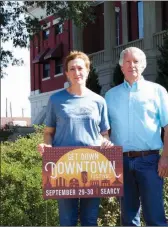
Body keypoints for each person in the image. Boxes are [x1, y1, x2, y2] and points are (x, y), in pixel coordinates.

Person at [37, 51, 113, 226]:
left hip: (93, 165)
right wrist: (46, 146)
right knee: (67, 220)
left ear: (87, 70)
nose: (76, 72)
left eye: (80, 68)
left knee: (90, 219)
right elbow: (48, 132)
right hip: (64, 165)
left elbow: (104, 134)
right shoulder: (56, 100)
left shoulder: (99, 101)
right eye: (72, 69)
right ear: (66, 73)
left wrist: (106, 142)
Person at [105, 47, 168, 226]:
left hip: (150, 161)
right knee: (128, 218)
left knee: (155, 216)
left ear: (143, 65)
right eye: (127, 62)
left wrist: (166, 157)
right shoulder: (110, 96)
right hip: (121, 162)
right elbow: (104, 131)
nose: (132, 65)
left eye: (136, 61)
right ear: (121, 67)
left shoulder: (157, 91)